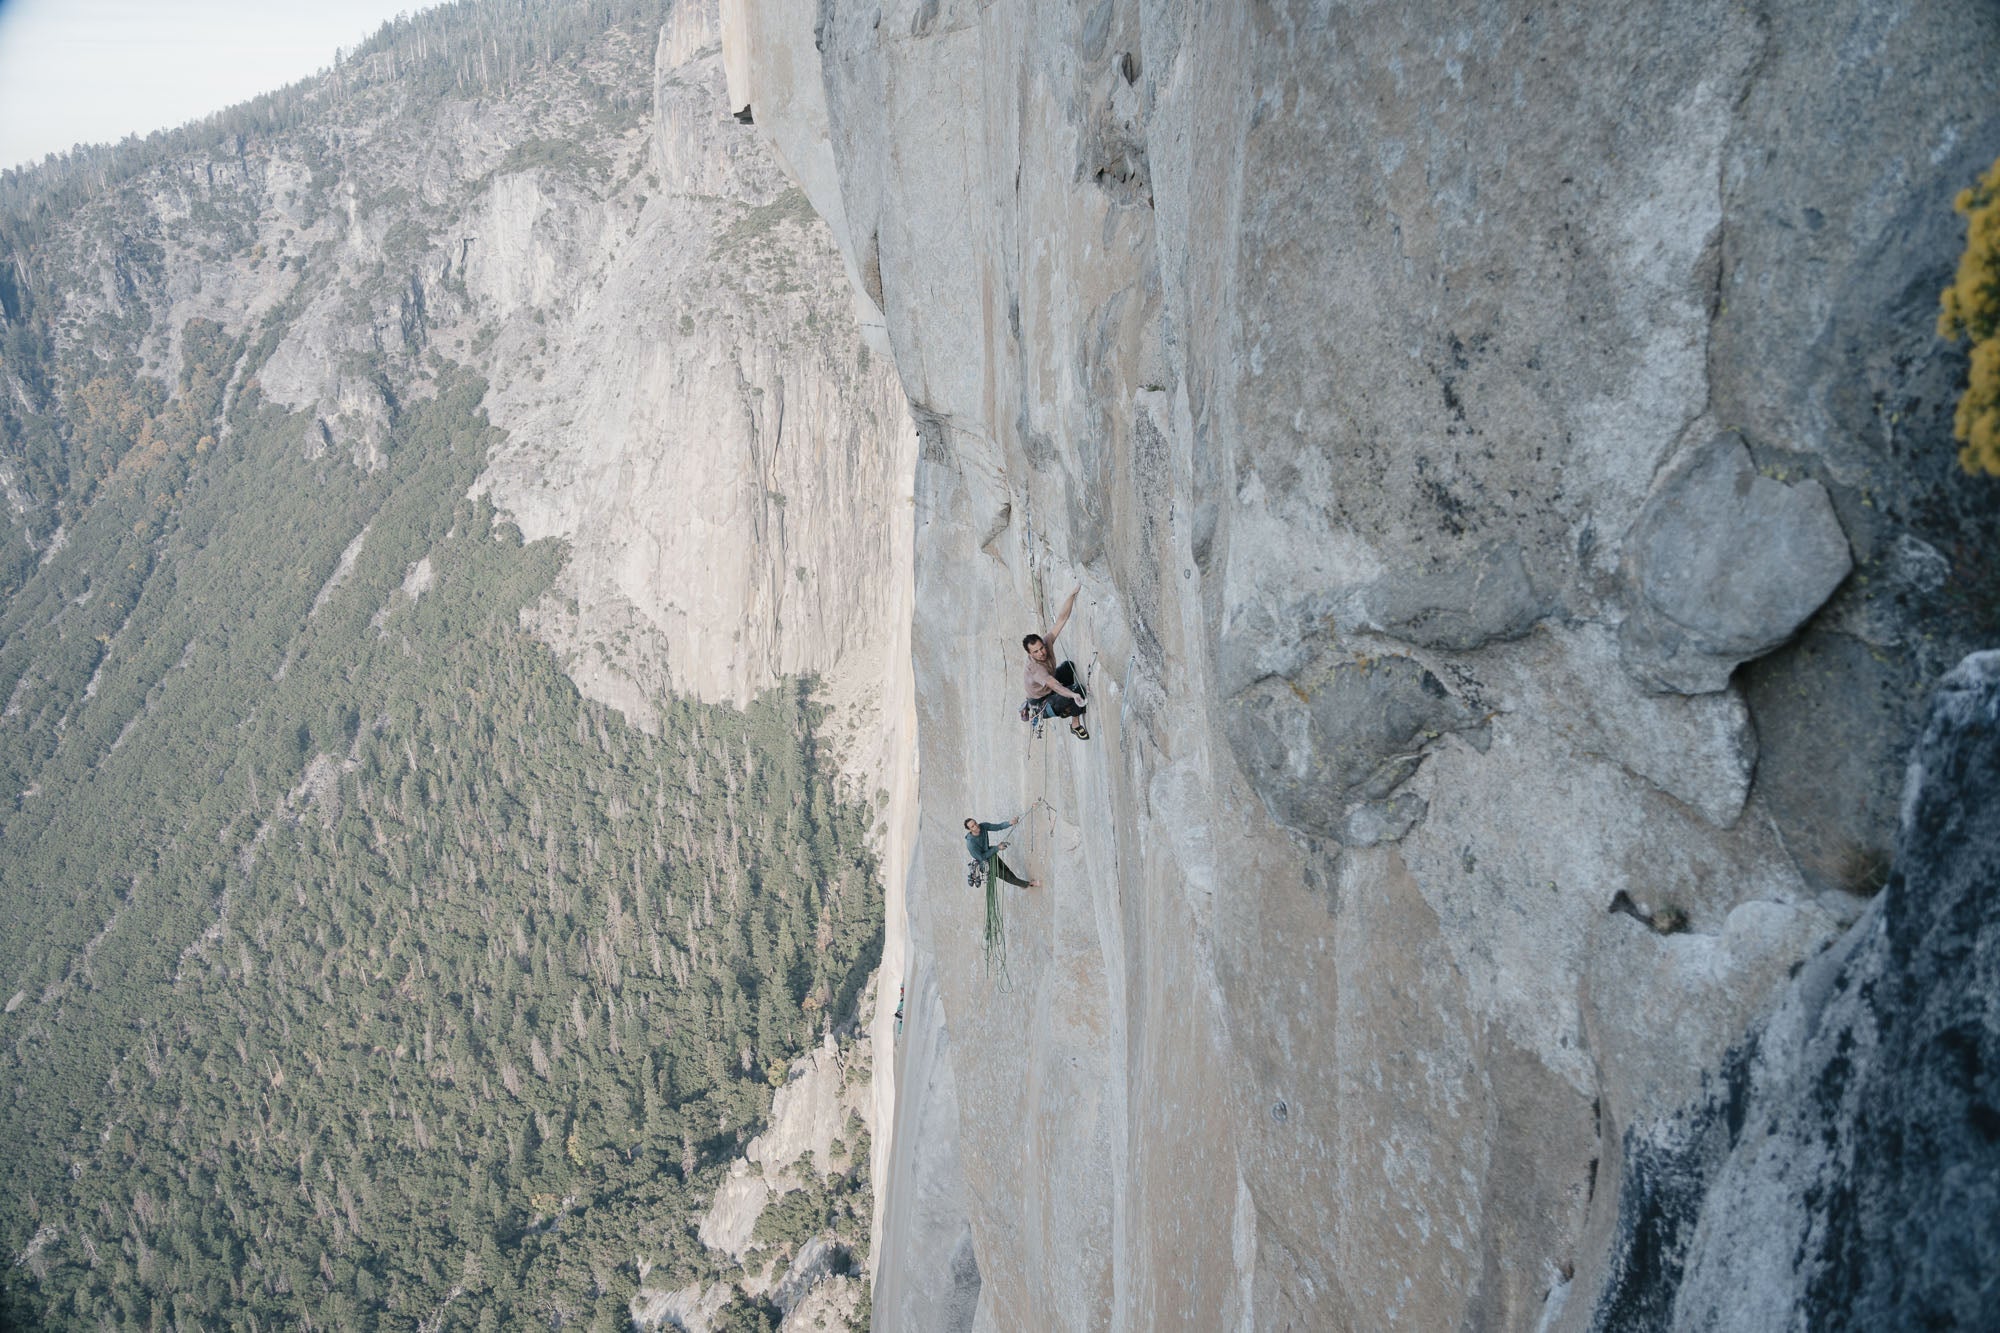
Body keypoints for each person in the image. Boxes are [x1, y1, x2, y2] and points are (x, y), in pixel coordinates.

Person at [1022, 584, 1089, 739]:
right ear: (1030, 654)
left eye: (1041, 648)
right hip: (1042, 704)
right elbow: (1055, 685)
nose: (1041, 653)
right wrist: (1072, 695)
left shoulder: (1047, 642)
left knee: (1069, 667)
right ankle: (1075, 724)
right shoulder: (1036, 669)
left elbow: (1061, 619)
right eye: (1036, 652)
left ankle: (1068, 704)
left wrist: (1072, 594)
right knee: (1078, 690)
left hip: (1049, 689)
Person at [964, 815, 1039, 888]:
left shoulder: (983, 826)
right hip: (984, 864)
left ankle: (1021, 884)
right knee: (1005, 875)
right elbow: (981, 857)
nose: (976, 826)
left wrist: (1010, 823)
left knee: (1005, 869)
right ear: (970, 830)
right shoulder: (971, 843)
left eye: (975, 823)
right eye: (972, 826)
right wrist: (997, 848)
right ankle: (1030, 884)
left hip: (991, 853)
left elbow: (998, 826)